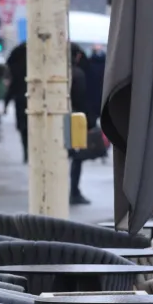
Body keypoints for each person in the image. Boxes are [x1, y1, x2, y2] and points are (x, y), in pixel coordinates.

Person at [69, 44, 91, 205]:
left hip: (57, 121)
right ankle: (74, 191)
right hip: (76, 120)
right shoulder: (78, 74)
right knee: (77, 159)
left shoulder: (57, 72)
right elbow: (83, 100)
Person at [5, 41, 29, 163]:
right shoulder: (32, 65)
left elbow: (12, 87)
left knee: (23, 128)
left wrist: (6, 103)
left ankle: (26, 152)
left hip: (20, 101)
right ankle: (29, 152)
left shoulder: (16, 67)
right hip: (32, 99)